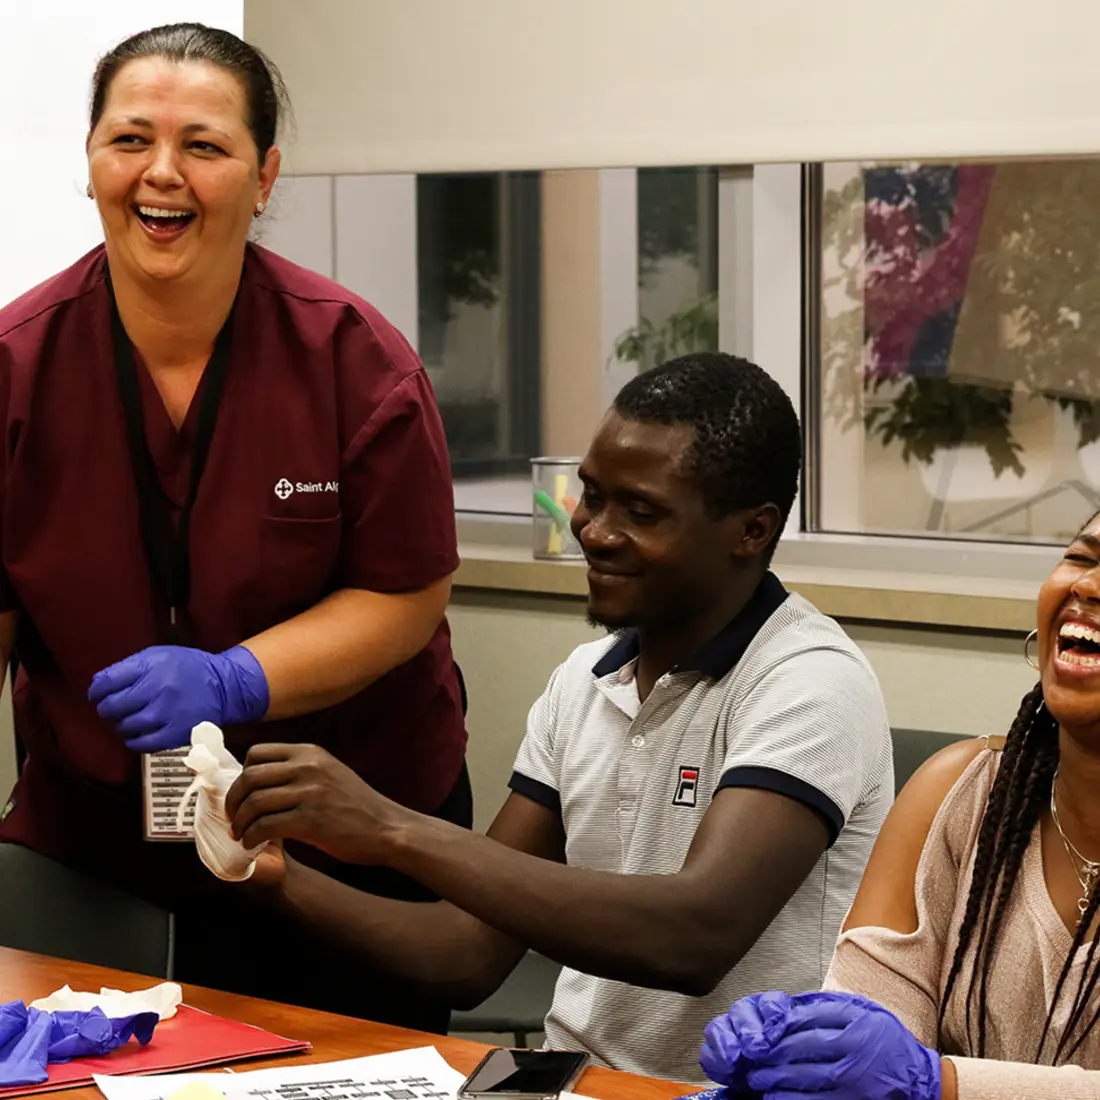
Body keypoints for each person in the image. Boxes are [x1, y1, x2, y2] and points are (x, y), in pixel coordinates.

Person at [226, 352, 895, 1083]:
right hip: (566, 1081)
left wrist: (390, 830)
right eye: (592, 496)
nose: (594, 531)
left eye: (641, 512)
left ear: (751, 531)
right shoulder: (583, 682)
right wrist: (273, 879)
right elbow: (468, 951)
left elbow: (694, 937)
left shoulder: (809, 682)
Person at [0, 23, 468, 1032]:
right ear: (89, 164)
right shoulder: (15, 366)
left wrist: (233, 677)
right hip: (95, 842)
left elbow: (405, 592)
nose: (160, 173)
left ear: (263, 176)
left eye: (203, 146)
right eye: (129, 140)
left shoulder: (355, 363)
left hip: (339, 837)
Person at [700, 512, 1100, 1099]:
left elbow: (909, 1078)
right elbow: (868, 1014)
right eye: (1083, 558)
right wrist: (807, 1046)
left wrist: (938, 1082)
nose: (1087, 587)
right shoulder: (960, 795)